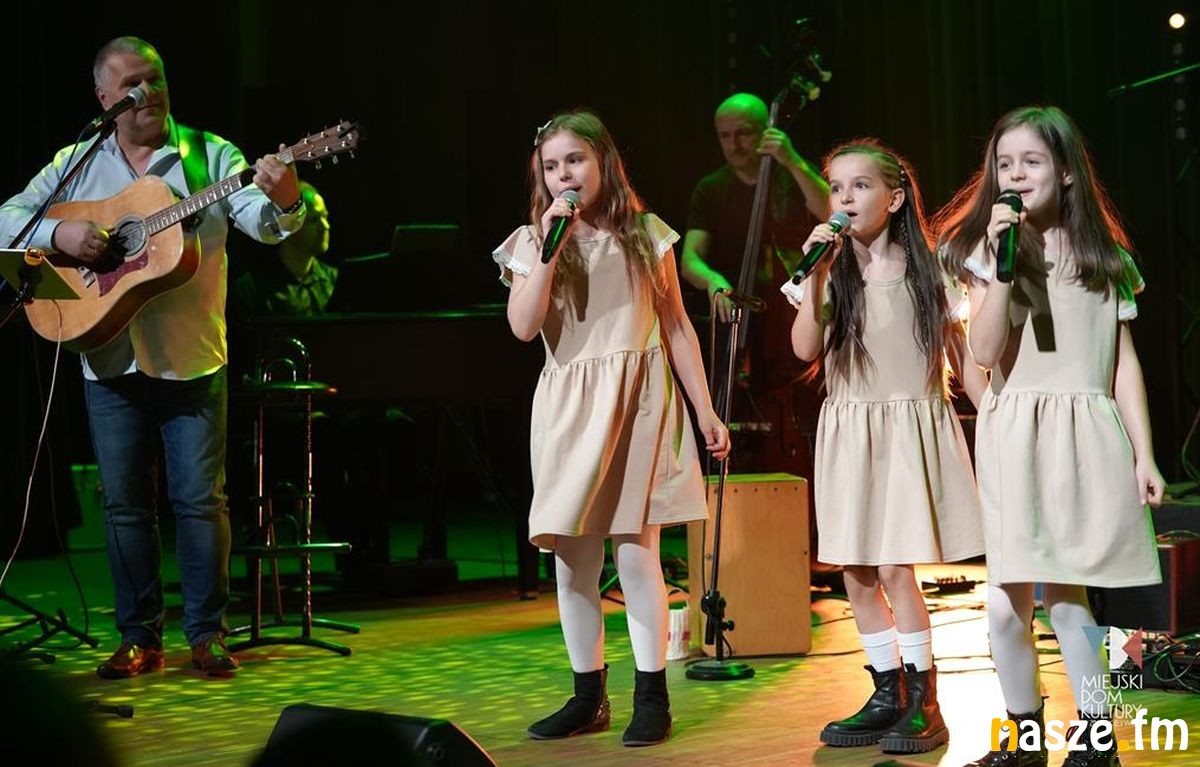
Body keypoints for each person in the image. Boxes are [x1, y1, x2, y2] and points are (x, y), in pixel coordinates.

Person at [0, 36, 305, 678]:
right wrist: (62, 232)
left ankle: (207, 634)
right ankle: (138, 637)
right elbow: (9, 218)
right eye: (132, 84)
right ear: (104, 98)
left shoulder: (210, 155)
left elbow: (261, 221)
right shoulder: (77, 163)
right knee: (124, 507)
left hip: (190, 357)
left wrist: (285, 199)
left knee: (200, 502)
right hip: (108, 355)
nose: (149, 93)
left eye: (157, 78)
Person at [493, 109, 730, 747]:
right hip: (570, 410)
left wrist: (705, 410)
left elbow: (677, 327)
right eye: (551, 166)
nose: (564, 174)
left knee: (636, 550)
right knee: (573, 558)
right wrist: (550, 248)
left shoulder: (646, 235)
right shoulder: (532, 242)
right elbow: (522, 327)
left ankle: (651, 697)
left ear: (603, 163)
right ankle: (586, 696)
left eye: (575, 160)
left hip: (638, 403)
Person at [937, 106, 1164, 767]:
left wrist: (1146, 454)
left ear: (1065, 171)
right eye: (1004, 163)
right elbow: (983, 352)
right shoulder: (988, 254)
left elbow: (1123, 366)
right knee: (1005, 606)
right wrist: (1001, 270)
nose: (1015, 174)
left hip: (1087, 436)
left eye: (1030, 161)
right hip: (1015, 436)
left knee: (1071, 598)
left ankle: (1097, 740)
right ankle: (1023, 739)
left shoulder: (1105, 259)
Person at [785, 139, 987, 755]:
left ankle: (925, 698)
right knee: (856, 569)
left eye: (860, 185)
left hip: (905, 429)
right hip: (851, 433)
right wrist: (816, 276)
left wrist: (994, 413)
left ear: (894, 199)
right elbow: (803, 348)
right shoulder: (832, 272)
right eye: (836, 188)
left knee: (897, 567)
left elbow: (961, 355)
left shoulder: (929, 272)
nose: (844, 198)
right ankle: (885, 692)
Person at [230, 180, 336, 317]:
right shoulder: (251, 291)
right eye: (314, 220)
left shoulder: (334, 281)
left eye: (325, 216)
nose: (325, 226)